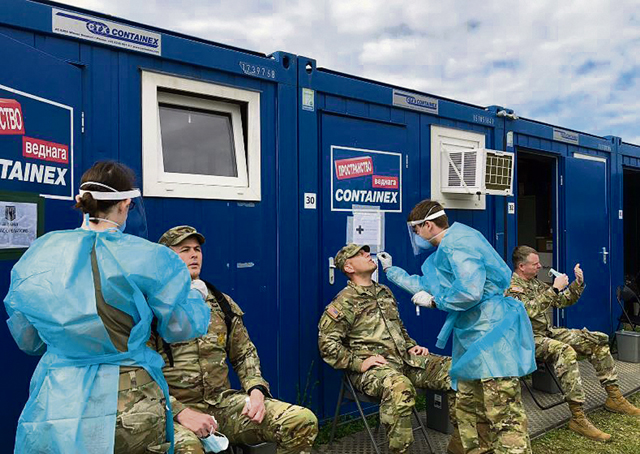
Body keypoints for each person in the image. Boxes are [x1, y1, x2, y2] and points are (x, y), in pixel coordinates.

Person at [3, 161, 211, 454]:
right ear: (125, 204)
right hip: (129, 399)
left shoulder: (41, 252)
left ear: (83, 201)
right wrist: (194, 295)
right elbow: (181, 327)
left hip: (60, 398)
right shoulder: (150, 256)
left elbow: (28, 339)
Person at [378, 199, 536, 454]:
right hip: (472, 333)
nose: (415, 236)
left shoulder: (458, 245)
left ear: (428, 225)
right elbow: (430, 284)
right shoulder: (450, 247)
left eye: (416, 230)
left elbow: (469, 292)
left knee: (503, 412)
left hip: (490, 333)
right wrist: (391, 271)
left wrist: (435, 302)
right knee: (469, 407)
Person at [154, 225, 318, 454]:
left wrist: (256, 390)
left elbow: (244, 354)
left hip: (221, 406)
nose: (194, 255)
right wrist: (180, 411)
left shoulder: (221, 303)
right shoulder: (153, 306)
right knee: (189, 448)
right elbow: (141, 372)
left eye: (197, 249)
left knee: (299, 420)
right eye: (184, 249)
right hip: (173, 412)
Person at [318, 243, 463, 454]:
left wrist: (411, 345)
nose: (367, 254)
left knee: (457, 370)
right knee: (400, 387)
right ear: (349, 267)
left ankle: (463, 445)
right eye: (360, 254)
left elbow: (398, 327)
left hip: (404, 361)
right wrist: (359, 363)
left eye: (366, 251)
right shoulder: (344, 301)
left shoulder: (383, 291)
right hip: (372, 371)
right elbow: (327, 345)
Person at [507, 246, 640, 441]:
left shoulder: (535, 283)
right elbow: (527, 311)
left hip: (546, 333)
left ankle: (614, 397)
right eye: (535, 264)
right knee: (565, 351)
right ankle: (578, 417)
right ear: (521, 266)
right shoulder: (512, 288)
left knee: (596, 340)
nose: (540, 266)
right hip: (527, 339)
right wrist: (554, 289)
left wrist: (577, 284)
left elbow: (563, 301)